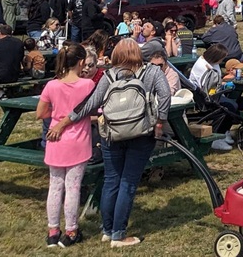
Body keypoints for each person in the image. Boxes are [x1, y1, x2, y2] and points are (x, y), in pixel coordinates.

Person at [50, 39, 170, 248]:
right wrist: (159, 120)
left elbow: (91, 103)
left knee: (111, 180)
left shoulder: (109, 75)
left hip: (111, 134)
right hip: (141, 133)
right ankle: (119, 234)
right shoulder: (152, 72)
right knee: (129, 182)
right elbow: (166, 95)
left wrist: (65, 121)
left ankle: (107, 229)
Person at [35, 42, 94, 248]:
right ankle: (71, 230)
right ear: (81, 62)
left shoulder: (52, 85)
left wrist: (58, 113)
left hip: (55, 139)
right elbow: (94, 110)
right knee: (73, 187)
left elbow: (40, 113)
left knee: (55, 186)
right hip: (78, 140)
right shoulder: (87, 85)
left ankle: (53, 230)